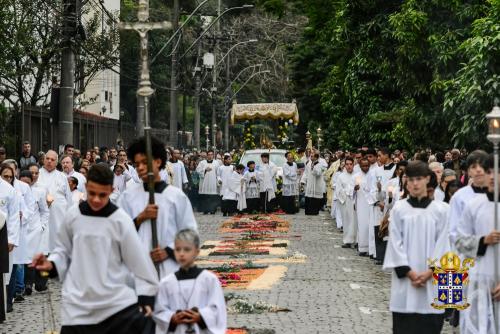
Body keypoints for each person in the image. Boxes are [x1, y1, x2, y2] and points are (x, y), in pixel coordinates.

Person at [31, 164, 159, 334]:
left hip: (115, 304)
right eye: (92, 193)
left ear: (111, 190)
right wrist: (50, 265)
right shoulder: (73, 216)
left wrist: (147, 299)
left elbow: (139, 263)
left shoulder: (121, 221)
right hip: (78, 306)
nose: (97, 199)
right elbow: (62, 252)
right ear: (86, 187)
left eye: (102, 195)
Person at [118, 136, 198, 279]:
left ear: (158, 161)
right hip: (139, 273)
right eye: (136, 165)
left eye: (145, 162)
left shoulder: (176, 197)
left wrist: (169, 251)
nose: (140, 168)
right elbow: (118, 232)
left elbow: (190, 232)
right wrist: (140, 218)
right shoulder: (127, 197)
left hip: (170, 270)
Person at [383, 161, 448, 334]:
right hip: (405, 283)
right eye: (411, 179)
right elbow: (395, 243)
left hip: (432, 282)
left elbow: (444, 245)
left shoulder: (442, 211)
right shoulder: (399, 209)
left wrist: (430, 272)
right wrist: (410, 273)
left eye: (419, 179)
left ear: (427, 179)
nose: (415, 183)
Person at [454, 154, 499, 333]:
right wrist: (482, 241)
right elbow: (458, 239)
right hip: (478, 278)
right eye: (489, 172)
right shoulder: (473, 205)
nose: (493, 176)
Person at [154, 229, 227, 334]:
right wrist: (171, 318)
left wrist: (201, 316)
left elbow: (217, 308)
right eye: (178, 249)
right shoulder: (166, 282)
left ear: (197, 252)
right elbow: (159, 311)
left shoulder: (209, 279)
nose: (181, 254)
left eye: (187, 249)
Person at [448, 150, 489, 247]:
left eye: (482, 165)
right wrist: (481, 243)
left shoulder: (496, 196)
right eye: (474, 167)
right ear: (468, 171)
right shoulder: (459, 197)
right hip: (468, 257)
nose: (478, 170)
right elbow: (454, 233)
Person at [38, 150, 72, 251]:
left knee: (56, 245)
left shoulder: (62, 177)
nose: (49, 161)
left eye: (52, 160)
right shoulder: (37, 174)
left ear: (56, 163)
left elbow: (69, 199)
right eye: (47, 159)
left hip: (58, 216)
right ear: (43, 160)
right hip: (40, 215)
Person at [25, 163, 50, 292]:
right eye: (31, 173)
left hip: (37, 228)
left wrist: (42, 225)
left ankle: (42, 282)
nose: (34, 176)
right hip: (25, 228)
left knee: (41, 256)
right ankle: (28, 284)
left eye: (36, 173)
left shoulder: (41, 189)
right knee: (27, 257)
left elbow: (44, 211)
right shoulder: (21, 187)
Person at [0, 163, 20, 316]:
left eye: (10, 177)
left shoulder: (10, 191)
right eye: (4, 175)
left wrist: (11, 238)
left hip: (3, 236)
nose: (7, 179)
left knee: (4, 275)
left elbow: (13, 217)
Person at [337, 157, 357, 248]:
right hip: (345, 201)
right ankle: (347, 240)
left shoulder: (357, 175)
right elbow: (338, 190)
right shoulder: (341, 176)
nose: (349, 166)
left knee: (355, 221)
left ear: (353, 165)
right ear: (345, 165)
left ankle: (356, 240)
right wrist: (345, 197)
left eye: (350, 164)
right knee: (346, 221)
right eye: (347, 164)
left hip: (355, 201)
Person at [354, 158, 371, 256]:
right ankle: (362, 247)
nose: (365, 167)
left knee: (369, 225)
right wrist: (354, 189)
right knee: (362, 225)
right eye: (363, 166)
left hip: (370, 204)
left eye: (367, 165)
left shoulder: (372, 175)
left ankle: (370, 248)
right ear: (360, 166)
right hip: (360, 203)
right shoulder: (356, 176)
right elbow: (351, 190)